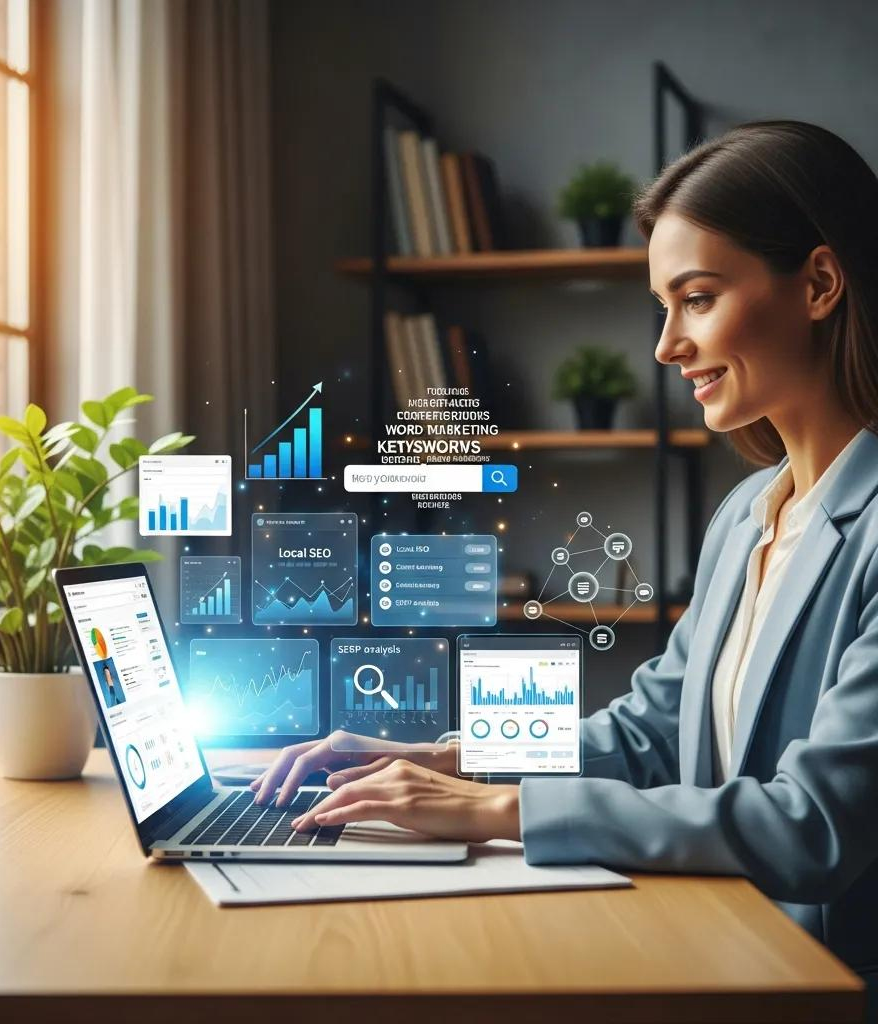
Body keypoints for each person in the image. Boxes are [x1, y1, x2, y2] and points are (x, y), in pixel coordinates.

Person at [252, 121, 878, 999]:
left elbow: (812, 827)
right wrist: (448, 758)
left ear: (818, 284)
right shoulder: (749, 514)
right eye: (663, 307)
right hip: (720, 948)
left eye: (696, 299)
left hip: (822, 986)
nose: (666, 346)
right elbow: (649, 735)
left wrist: (503, 809)